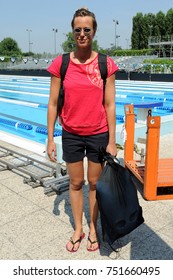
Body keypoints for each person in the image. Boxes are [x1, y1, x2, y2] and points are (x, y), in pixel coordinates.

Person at [47, 7, 119, 253]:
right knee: (76, 183)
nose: (82, 34)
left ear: (94, 31)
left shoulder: (105, 64)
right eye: (77, 30)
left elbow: (110, 104)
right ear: (73, 32)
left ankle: (92, 226)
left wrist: (112, 140)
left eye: (86, 29)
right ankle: (77, 228)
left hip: (98, 133)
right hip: (72, 134)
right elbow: (53, 103)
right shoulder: (62, 63)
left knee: (95, 183)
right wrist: (50, 139)